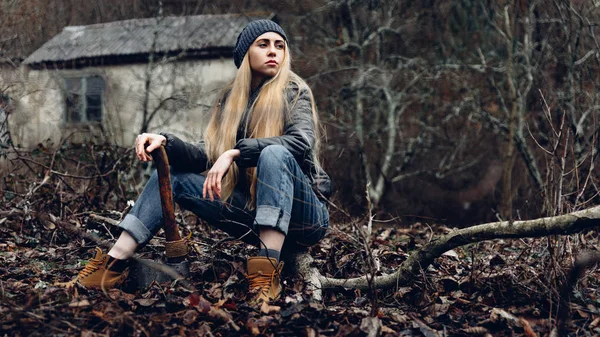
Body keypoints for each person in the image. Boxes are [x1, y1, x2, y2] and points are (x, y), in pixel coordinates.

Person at [76, 19, 331, 304]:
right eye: (263, 44)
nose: (274, 51)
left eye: (279, 46)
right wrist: (165, 141)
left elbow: (301, 142)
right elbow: (206, 152)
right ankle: (112, 264)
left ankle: (265, 274)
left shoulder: (294, 91)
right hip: (253, 214)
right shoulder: (232, 99)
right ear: (246, 53)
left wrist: (235, 152)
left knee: (274, 152)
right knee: (175, 177)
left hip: (305, 217)